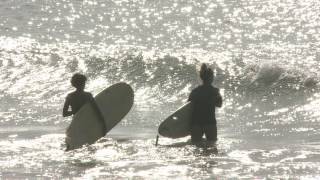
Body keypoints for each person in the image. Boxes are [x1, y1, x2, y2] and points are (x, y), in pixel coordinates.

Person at [188, 64, 222, 145]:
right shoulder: (215, 91)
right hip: (209, 122)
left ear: (202, 78)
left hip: (196, 123)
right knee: (212, 146)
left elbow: (188, 107)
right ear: (211, 78)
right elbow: (219, 104)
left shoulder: (195, 91)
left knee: (196, 147)